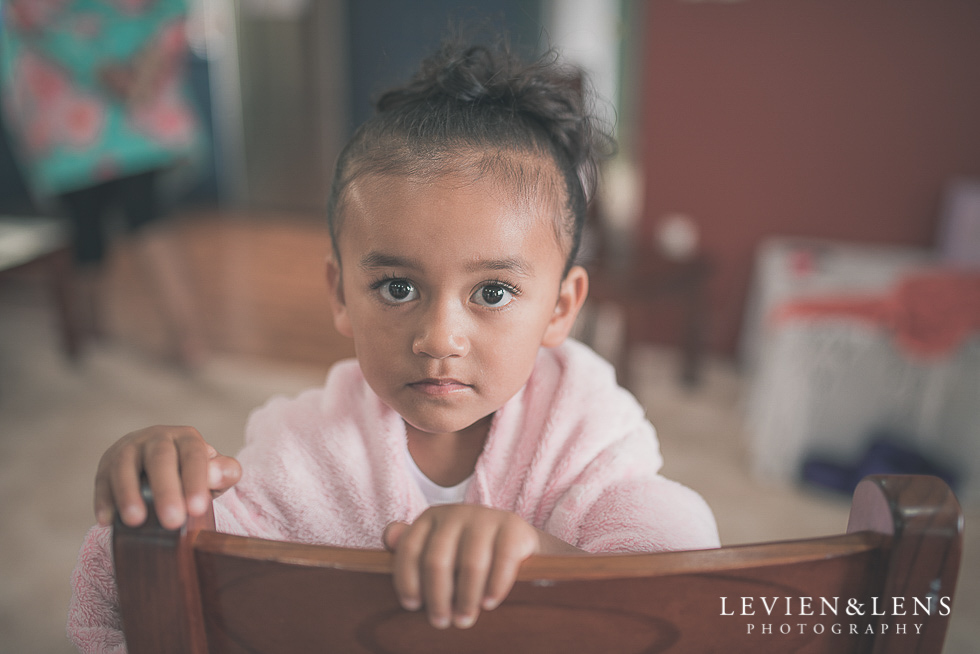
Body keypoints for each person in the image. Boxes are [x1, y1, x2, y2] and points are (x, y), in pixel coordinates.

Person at [67, 40, 720, 651]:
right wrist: (157, 504)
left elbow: (682, 592)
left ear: (560, 308)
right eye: (397, 287)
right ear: (341, 293)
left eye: (492, 293)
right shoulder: (307, 448)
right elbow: (185, 595)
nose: (438, 339)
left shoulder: (586, 437)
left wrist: (540, 558)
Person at [0, 0, 207, 365]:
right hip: (129, 108)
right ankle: (179, 336)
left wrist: (118, 71)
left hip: (77, 115)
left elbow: (35, 19)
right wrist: (144, 68)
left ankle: (104, 334)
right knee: (137, 219)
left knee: (92, 227)